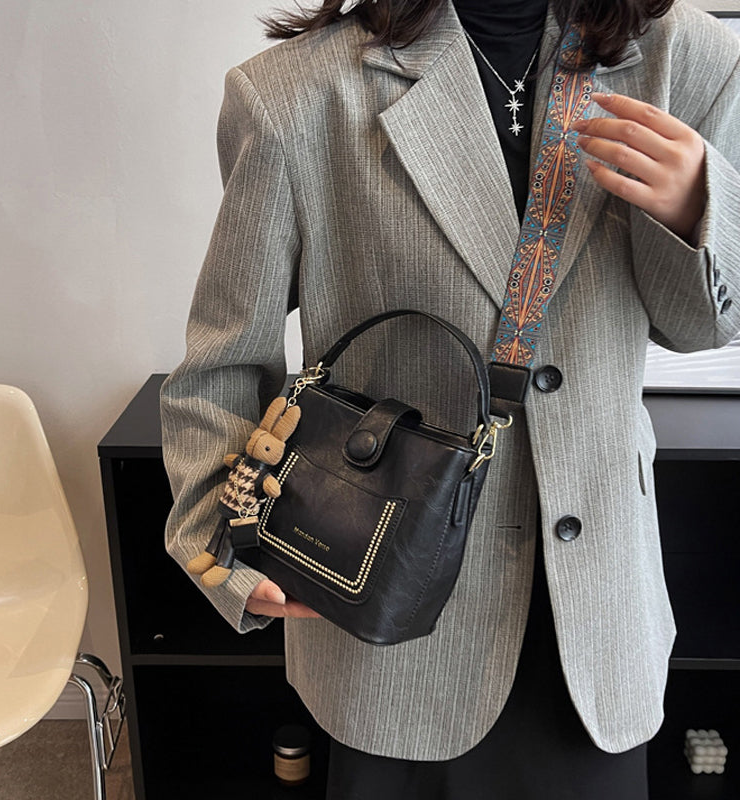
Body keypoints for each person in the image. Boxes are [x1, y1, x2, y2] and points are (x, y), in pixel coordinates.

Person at [160, 0, 740, 797]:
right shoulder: (295, 94)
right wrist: (219, 545)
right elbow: (225, 359)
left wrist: (698, 208)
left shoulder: (687, 57)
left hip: (599, 610)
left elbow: (700, 326)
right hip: (385, 602)